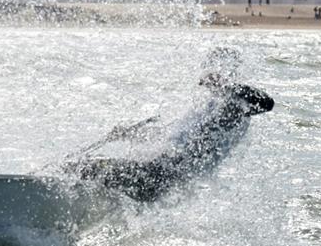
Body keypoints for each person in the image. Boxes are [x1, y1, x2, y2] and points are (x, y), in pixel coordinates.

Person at [66, 48, 274, 201]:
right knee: (84, 172)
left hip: (162, 174)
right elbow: (173, 138)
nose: (205, 78)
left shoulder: (236, 110)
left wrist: (225, 85)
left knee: (81, 168)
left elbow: (267, 103)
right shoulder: (211, 105)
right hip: (157, 170)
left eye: (214, 72)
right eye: (207, 70)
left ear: (229, 75)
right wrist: (131, 135)